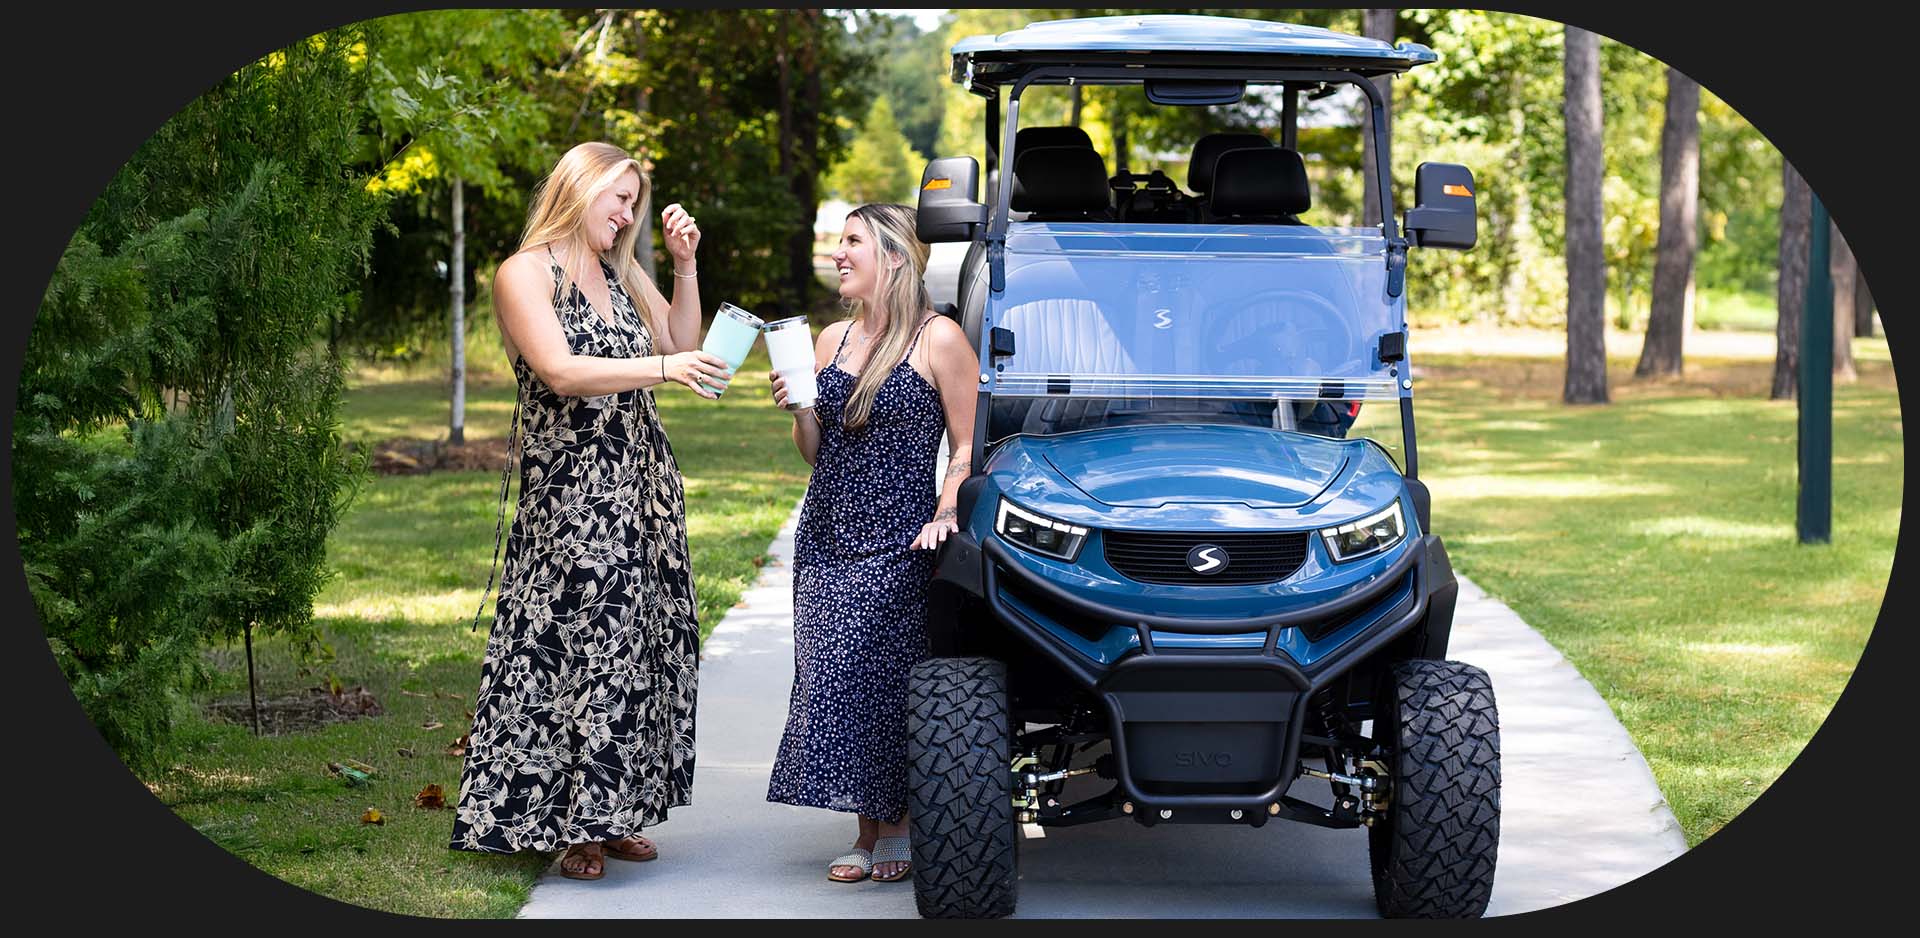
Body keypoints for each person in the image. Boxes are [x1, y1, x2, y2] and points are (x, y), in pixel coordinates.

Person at [450, 141, 733, 882]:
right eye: (619, 198)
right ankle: (573, 821)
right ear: (580, 191)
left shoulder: (620, 270)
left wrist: (684, 265)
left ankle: (618, 813)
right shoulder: (525, 272)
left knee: (638, 645)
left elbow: (682, 341)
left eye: (636, 200)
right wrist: (666, 369)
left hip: (639, 483)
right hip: (574, 494)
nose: (628, 212)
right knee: (575, 647)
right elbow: (562, 370)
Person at [764, 203, 980, 883]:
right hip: (826, 533)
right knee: (831, 680)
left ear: (893, 255)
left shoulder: (937, 339)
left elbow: (969, 444)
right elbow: (815, 451)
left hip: (900, 537)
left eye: (851, 241)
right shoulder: (829, 340)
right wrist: (801, 407)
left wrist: (947, 510)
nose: (838, 252)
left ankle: (903, 826)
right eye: (839, 240)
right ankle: (864, 828)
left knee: (884, 682)